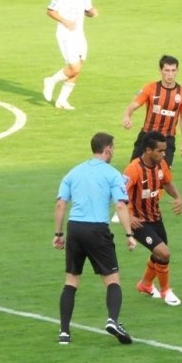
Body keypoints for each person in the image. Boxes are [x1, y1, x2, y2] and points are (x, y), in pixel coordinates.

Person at [53, 132, 137, 345]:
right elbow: (120, 206)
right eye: (113, 148)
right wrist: (129, 234)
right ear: (107, 149)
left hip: (75, 228)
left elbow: (61, 204)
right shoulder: (112, 174)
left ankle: (64, 333)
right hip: (97, 230)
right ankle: (113, 320)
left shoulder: (74, 172)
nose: (113, 152)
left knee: (71, 280)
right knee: (112, 280)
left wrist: (58, 234)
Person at [123, 131, 182, 306]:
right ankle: (166, 291)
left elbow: (167, 182)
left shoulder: (161, 165)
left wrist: (177, 197)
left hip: (156, 217)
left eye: (165, 150)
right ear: (148, 150)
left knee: (159, 254)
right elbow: (118, 194)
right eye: (160, 151)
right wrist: (129, 216)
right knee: (164, 253)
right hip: (138, 222)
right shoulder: (133, 169)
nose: (164, 154)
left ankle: (145, 284)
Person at [42, 0, 98, 111]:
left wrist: (92, 12)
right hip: (65, 34)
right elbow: (50, 11)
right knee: (74, 67)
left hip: (79, 34)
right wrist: (64, 21)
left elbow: (86, 10)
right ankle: (51, 81)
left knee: (78, 67)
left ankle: (62, 100)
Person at [122, 55, 182, 167]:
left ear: (177, 71)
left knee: (162, 174)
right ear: (160, 70)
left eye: (173, 70)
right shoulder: (150, 88)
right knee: (134, 170)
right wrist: (126, 116)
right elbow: (133, 105)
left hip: (167, 140)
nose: (170, 74)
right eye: (167, 70)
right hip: (147, 137)